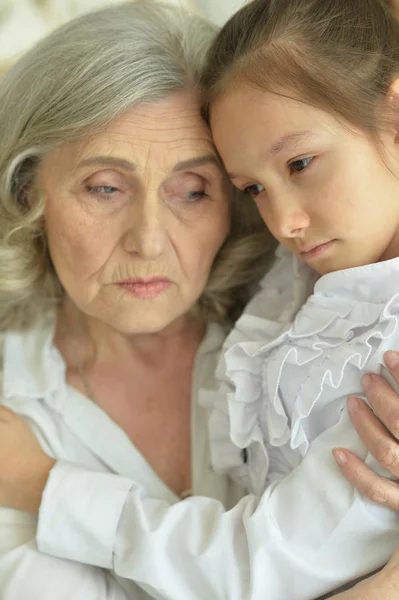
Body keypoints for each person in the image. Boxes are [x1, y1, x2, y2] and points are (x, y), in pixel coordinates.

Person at [0, 1, 399, 600]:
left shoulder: (306, 306)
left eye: (193, 190)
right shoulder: (12, 404)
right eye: (105, 187)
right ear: (30, 191)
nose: (149, 240)